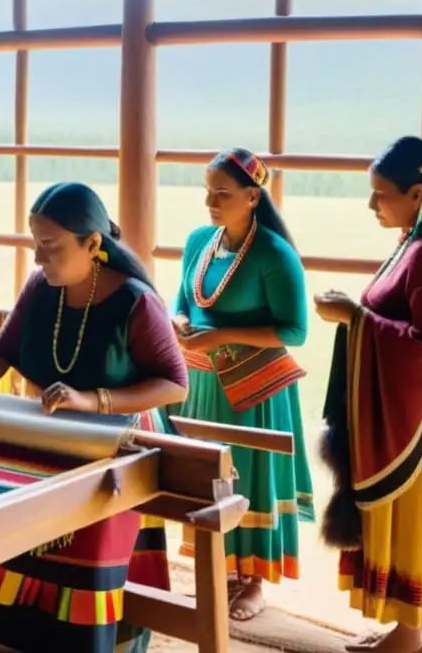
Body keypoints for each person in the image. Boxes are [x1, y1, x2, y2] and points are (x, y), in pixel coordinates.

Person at [0, 182, 188, 653]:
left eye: (51, 247)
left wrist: (92, 401)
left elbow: (174, 383)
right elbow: (1, 350)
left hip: (116, 452)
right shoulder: (40, 289)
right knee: (14, 535)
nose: (40, 259)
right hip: (50, 438)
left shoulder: (136, 302)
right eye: (35, 244)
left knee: (81, 573)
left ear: (92, 244)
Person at [164, 147, 315, 622]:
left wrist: (223, 334)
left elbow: (296, 331)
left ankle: (254, 581)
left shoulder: (274, 253)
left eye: (222, 194)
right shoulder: (199, 241)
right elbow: (183, 297)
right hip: (205, 385)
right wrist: (179, 318)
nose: (211, 203)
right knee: (211, 478)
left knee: (250, 478)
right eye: (208, 193)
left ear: (252, 197)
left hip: (256, 390)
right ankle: (221, 573)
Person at [314, 135, 422, 653]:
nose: (373, 205)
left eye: (382, 194)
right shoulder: (415, 242)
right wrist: (358, 317)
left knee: (409, 522)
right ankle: (404, 629)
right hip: (400, 411)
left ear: (419, 195)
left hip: (417, 424)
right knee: (394, 525)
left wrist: (354, 316)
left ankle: (412, 634)